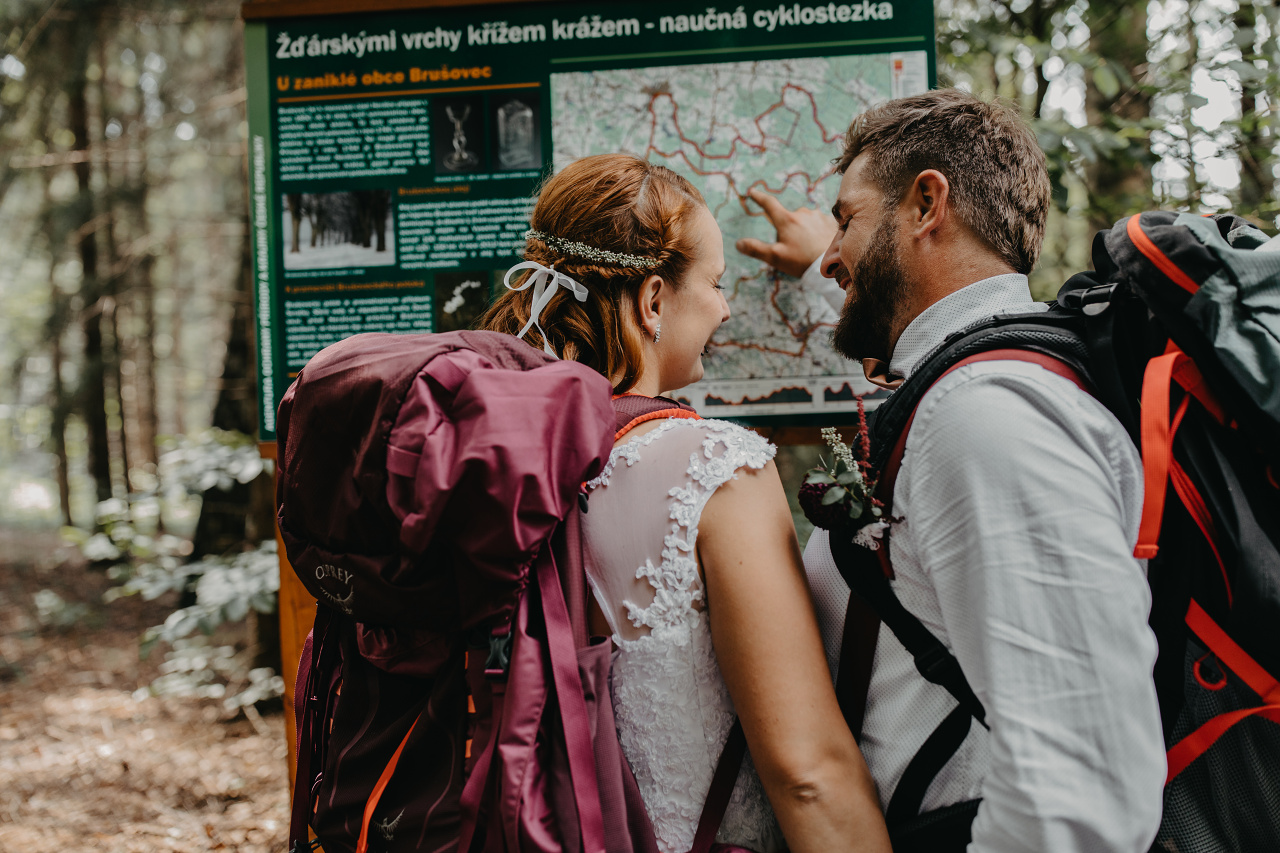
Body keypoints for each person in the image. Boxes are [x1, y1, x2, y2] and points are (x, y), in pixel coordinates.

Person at [738, 90, 1166, 851]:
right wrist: (821, 271)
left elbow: (1081, 800)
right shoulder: (961, 387)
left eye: (846, 220)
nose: (834, 254)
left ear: (926, 204)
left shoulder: (986, 418)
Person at [479, 153, 890, 853]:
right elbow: (808, 771)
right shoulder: (714, 470)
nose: (726, 307)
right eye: (715, 283)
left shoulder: (490, 458)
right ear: (652, 300)